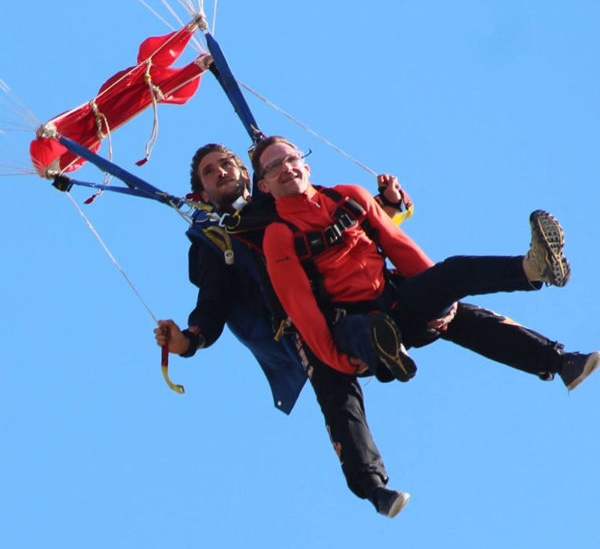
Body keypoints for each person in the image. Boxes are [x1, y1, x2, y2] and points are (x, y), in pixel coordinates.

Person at [157, 141, 598, 518]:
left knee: (455, 306)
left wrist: (384, 208)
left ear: (250, 174)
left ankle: (559, 356)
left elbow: (353, 234)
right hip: (313, 325)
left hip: (374, 294)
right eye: (209, 173)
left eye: (226, 164)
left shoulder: (288, 198)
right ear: (200, 191)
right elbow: (212, 303)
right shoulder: (215, 241)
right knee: (337, 393)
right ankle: (373, 485)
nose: (220, 173)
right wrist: (190, 340)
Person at [253, 135, 599, 399]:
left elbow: (400, 247)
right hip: (355, 324)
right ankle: (387, 354)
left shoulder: (349, 196)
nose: (287, 168)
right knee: (370, 331)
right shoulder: (279, 236)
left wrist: (443, 302)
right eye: (274, 167)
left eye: (291, 159)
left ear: (306, 165)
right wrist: (338, 361)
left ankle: (535, 274)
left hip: (398, 301)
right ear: (264, 186)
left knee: (454, 279)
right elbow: (301, 306)